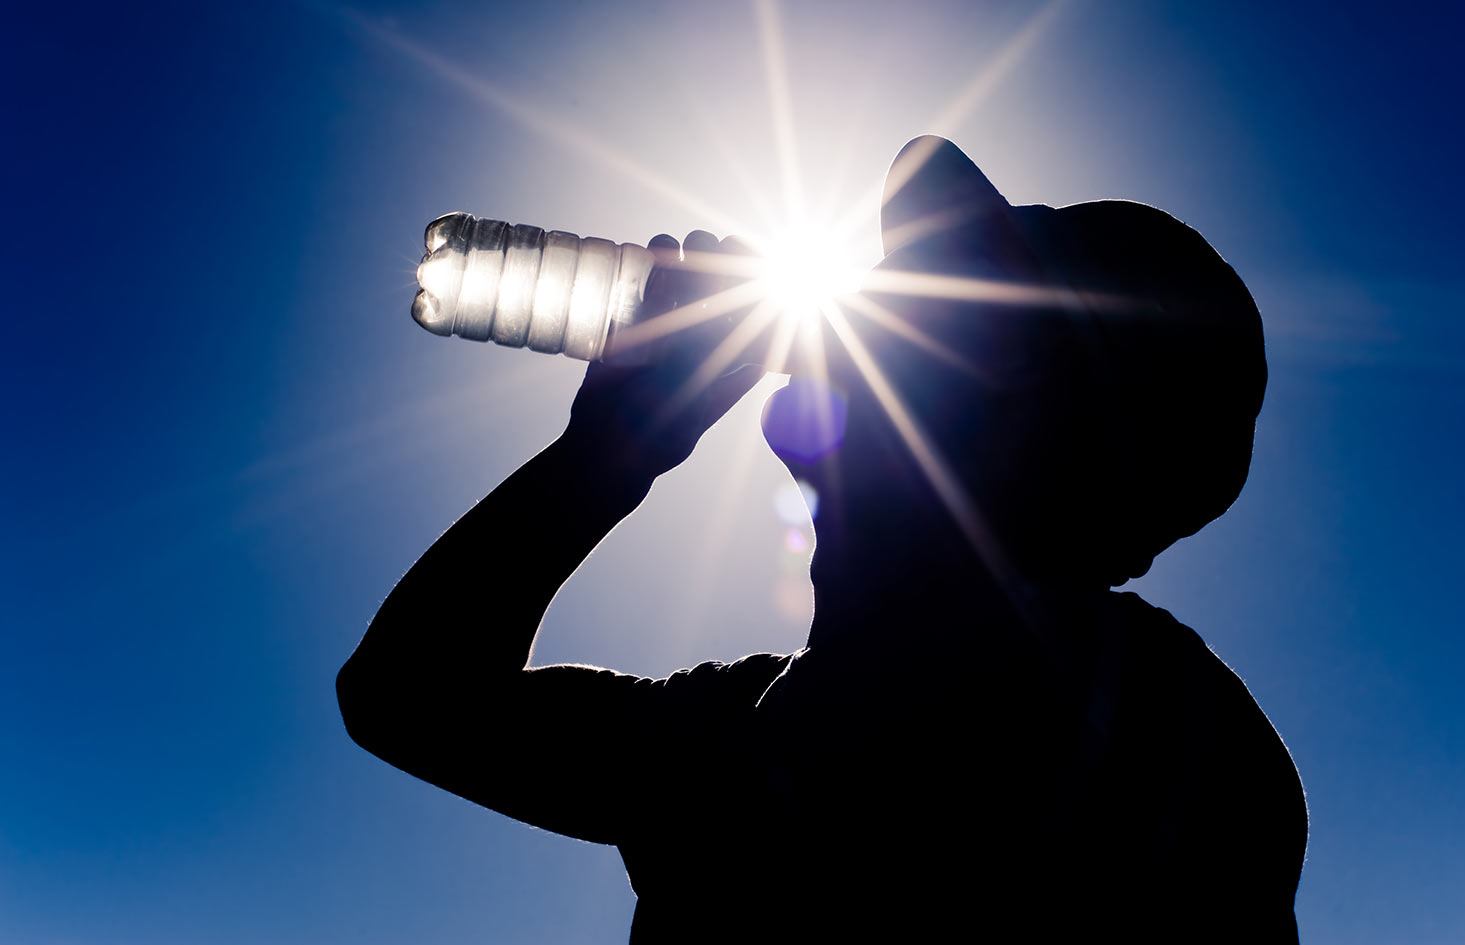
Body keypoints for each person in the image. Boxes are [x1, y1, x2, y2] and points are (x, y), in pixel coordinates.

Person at [337, 136, 1308, 942]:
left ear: (1023, 420)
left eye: (902, 366)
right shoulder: (739, 722)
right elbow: (403, 698)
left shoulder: (1157, 735)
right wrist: (607, 453)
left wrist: (608, 463)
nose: (789, 429)